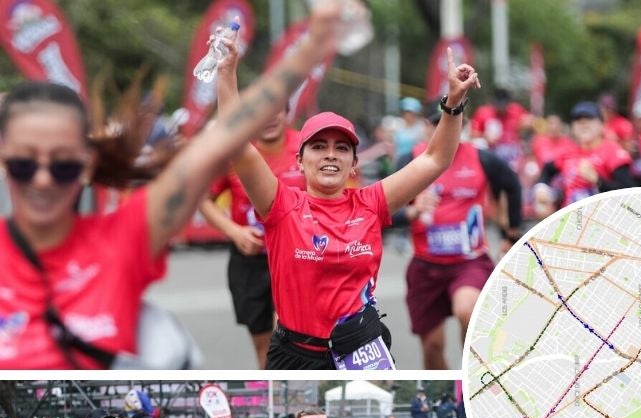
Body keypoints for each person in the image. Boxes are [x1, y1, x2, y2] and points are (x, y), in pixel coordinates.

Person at [0, 0, 350, 369]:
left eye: (63, 165)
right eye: (23, 164)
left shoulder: (125, 237)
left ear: (86, 166)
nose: (42, 180)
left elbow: (225, 138)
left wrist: (314, 42)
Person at [215, 43, 480, 370]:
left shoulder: (371, 203)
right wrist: (226, 75)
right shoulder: (281, 204)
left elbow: (436, 158)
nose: (330, 154)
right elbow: (237, 145)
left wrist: (453, 103)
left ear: (354, 163)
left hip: (362, 349)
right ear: (300, 161)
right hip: (294, 355)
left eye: (341, 148)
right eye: (318, 146)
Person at [404, 126, 522, 369]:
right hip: (425, 265)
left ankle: (472, 375)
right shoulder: (410, 160)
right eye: (437, 123)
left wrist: (511, 234)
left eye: (451, 122)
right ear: (426, 128)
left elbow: (512, 184)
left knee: (467, 310)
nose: (445, 129)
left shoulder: (481, 158)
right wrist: (413, 210)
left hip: (469, 261)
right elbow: (385, 206)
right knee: (432, 347)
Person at [199, 105, 304, 368]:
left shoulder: (307, 145)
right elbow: (203, 199)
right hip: (250, 260)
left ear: (287, 111)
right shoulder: (234, 152)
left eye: (276, 110)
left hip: (298, 259)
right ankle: (272, 386)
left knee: (290, 339)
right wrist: (234, 232)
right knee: (264, 345)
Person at [534, 101, 633, 215]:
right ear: (573, 127)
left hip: (602, 219)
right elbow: (547, 169)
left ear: (601, 125)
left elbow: (628, 192)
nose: (583, 125)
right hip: (571, 218)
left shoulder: (613, 151)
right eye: (578, 121)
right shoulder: (569, 151)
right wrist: (541, 188)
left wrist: (597, 180)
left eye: (589, 120)